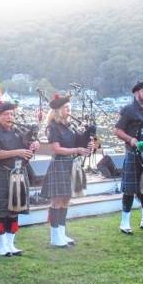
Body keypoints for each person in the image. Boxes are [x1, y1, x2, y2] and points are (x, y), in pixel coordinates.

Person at [0, 101, 39, 256]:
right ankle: (1, 246)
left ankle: (10, 244)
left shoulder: (18, 132)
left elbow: (27, 147)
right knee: (1, 212)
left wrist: (33, 146)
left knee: (15, 209)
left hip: (19, 173)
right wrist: (18, 151)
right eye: (6, 114)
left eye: (11, 114)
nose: (9, 117)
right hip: (1, 173)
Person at [40, 94, 92, 247]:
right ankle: (55, 237)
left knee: (66, 200)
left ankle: (62, 233)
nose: (68, 111)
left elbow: (78, 142)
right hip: (59, 165)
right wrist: (77, 149)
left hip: (71, 165)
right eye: (65, 108)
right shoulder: (52, 127)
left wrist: (88, 141)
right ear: (57, 110)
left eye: (69, 108)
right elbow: (56, 149)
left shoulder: (70, 126)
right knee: (56, 201)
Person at [114, 81, 143, 234]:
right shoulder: (128, 110)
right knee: (129, 190)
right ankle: (124, 223)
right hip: (132, 154)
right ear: (136, 93)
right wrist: (131, 140)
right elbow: (117, 130)